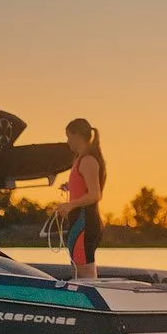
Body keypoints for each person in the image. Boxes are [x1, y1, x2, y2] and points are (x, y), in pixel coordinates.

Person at [55, 118, 105, 279]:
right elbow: (84, 186)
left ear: (77, 135)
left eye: (69, 136)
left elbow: (95, 194)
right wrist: (70, 186)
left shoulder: (88, 160)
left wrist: (70, 205)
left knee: (84, 269)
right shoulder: (80, 159)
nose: (67, 141)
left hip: (85, 222)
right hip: (79, 221)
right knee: (78, 267)